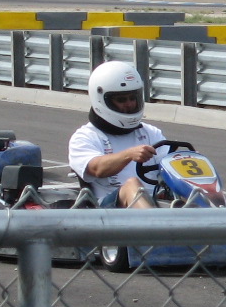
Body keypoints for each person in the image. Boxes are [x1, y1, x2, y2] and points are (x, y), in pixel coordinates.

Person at [68, 61, 162, 208]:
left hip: (154, 201)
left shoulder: (151, 133)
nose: (129, 104)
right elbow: (97, 168)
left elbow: (169, 163)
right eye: (121, 99)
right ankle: (158, 222)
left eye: (133, 98)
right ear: (101, 99)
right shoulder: (84, 137)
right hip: (107, 210)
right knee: (132, 185)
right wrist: (129, 155)